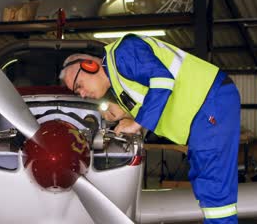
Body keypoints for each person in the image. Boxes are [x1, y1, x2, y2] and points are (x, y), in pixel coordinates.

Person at [59, 34, 241, 224]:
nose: (82, 93)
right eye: (77, 92)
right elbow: (151, 95)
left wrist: (137, 124)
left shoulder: (122, 52)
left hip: (210, 101)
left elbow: (163, 80)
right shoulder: (120, 80)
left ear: (90, 65)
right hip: (203, 111)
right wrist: (127, 115)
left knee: (213, 185)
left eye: (79, 85)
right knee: (205, 181)